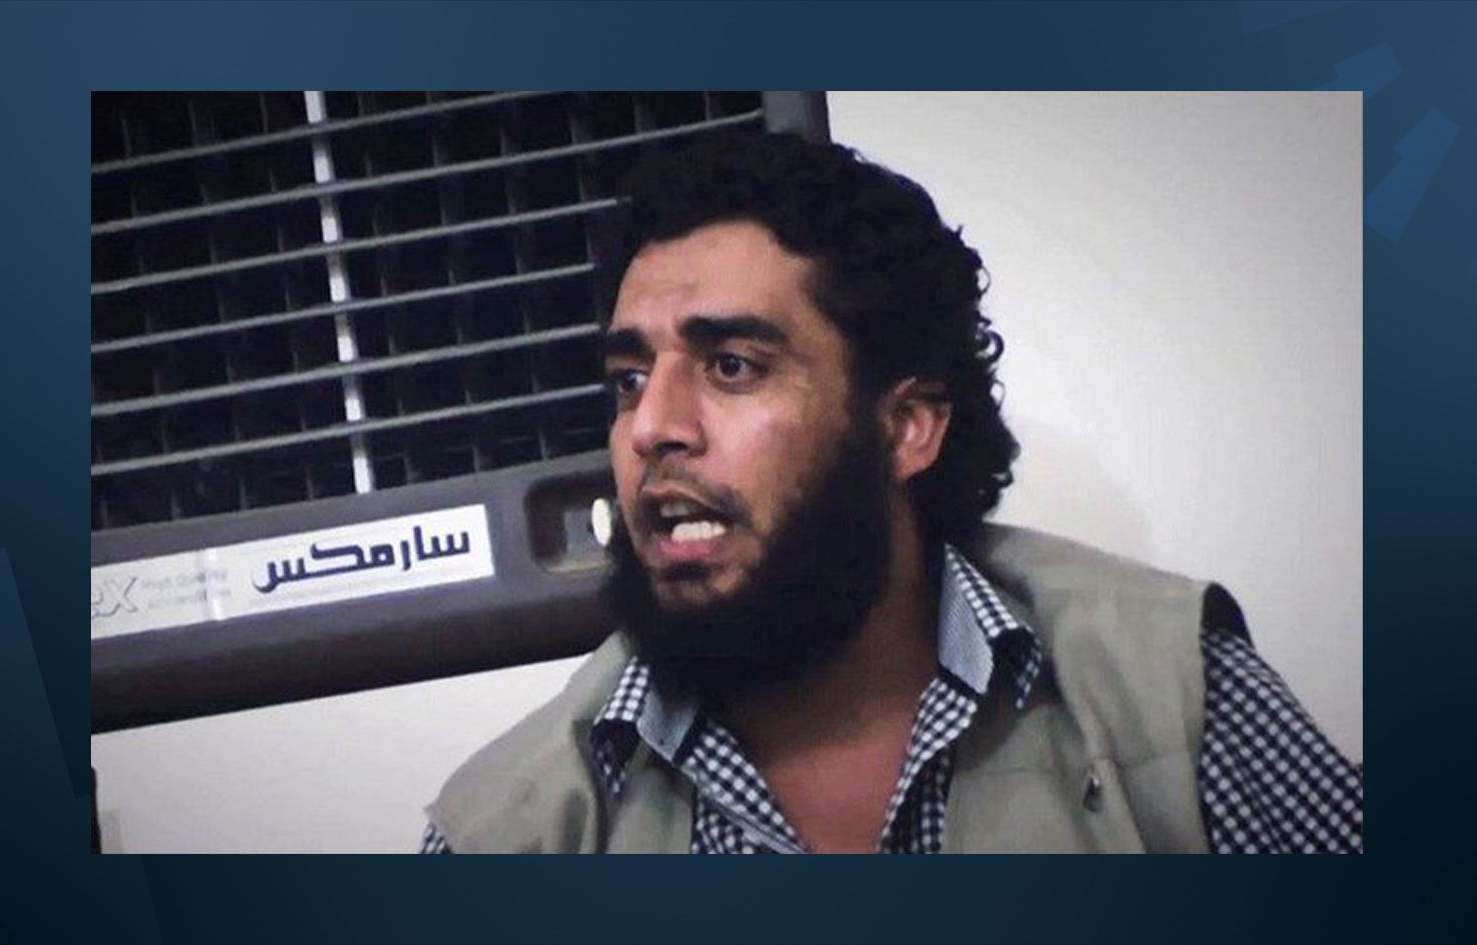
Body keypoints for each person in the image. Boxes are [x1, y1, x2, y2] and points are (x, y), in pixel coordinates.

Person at [422, 133, 1362, 853]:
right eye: (630, 379)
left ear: (907, 425)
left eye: (733, 365)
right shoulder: (511, 831)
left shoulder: (1168, 695)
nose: (651, 427)